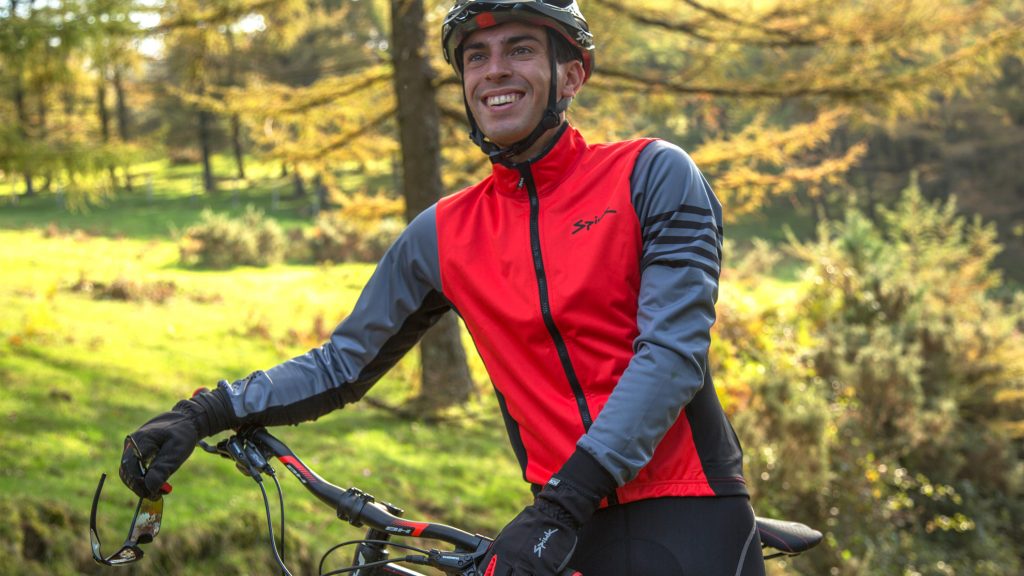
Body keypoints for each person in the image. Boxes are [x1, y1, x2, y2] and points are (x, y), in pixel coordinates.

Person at [119, 1, 764, 574]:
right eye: (476, 57)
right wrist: (206, 411)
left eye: (520, 49)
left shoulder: (651, 173)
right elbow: (343, 363)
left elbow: (671, 355)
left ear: (571, 74)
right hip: (560, 526)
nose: (494, 71)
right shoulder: (444, 232)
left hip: (687, 506)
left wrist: (568, 499)